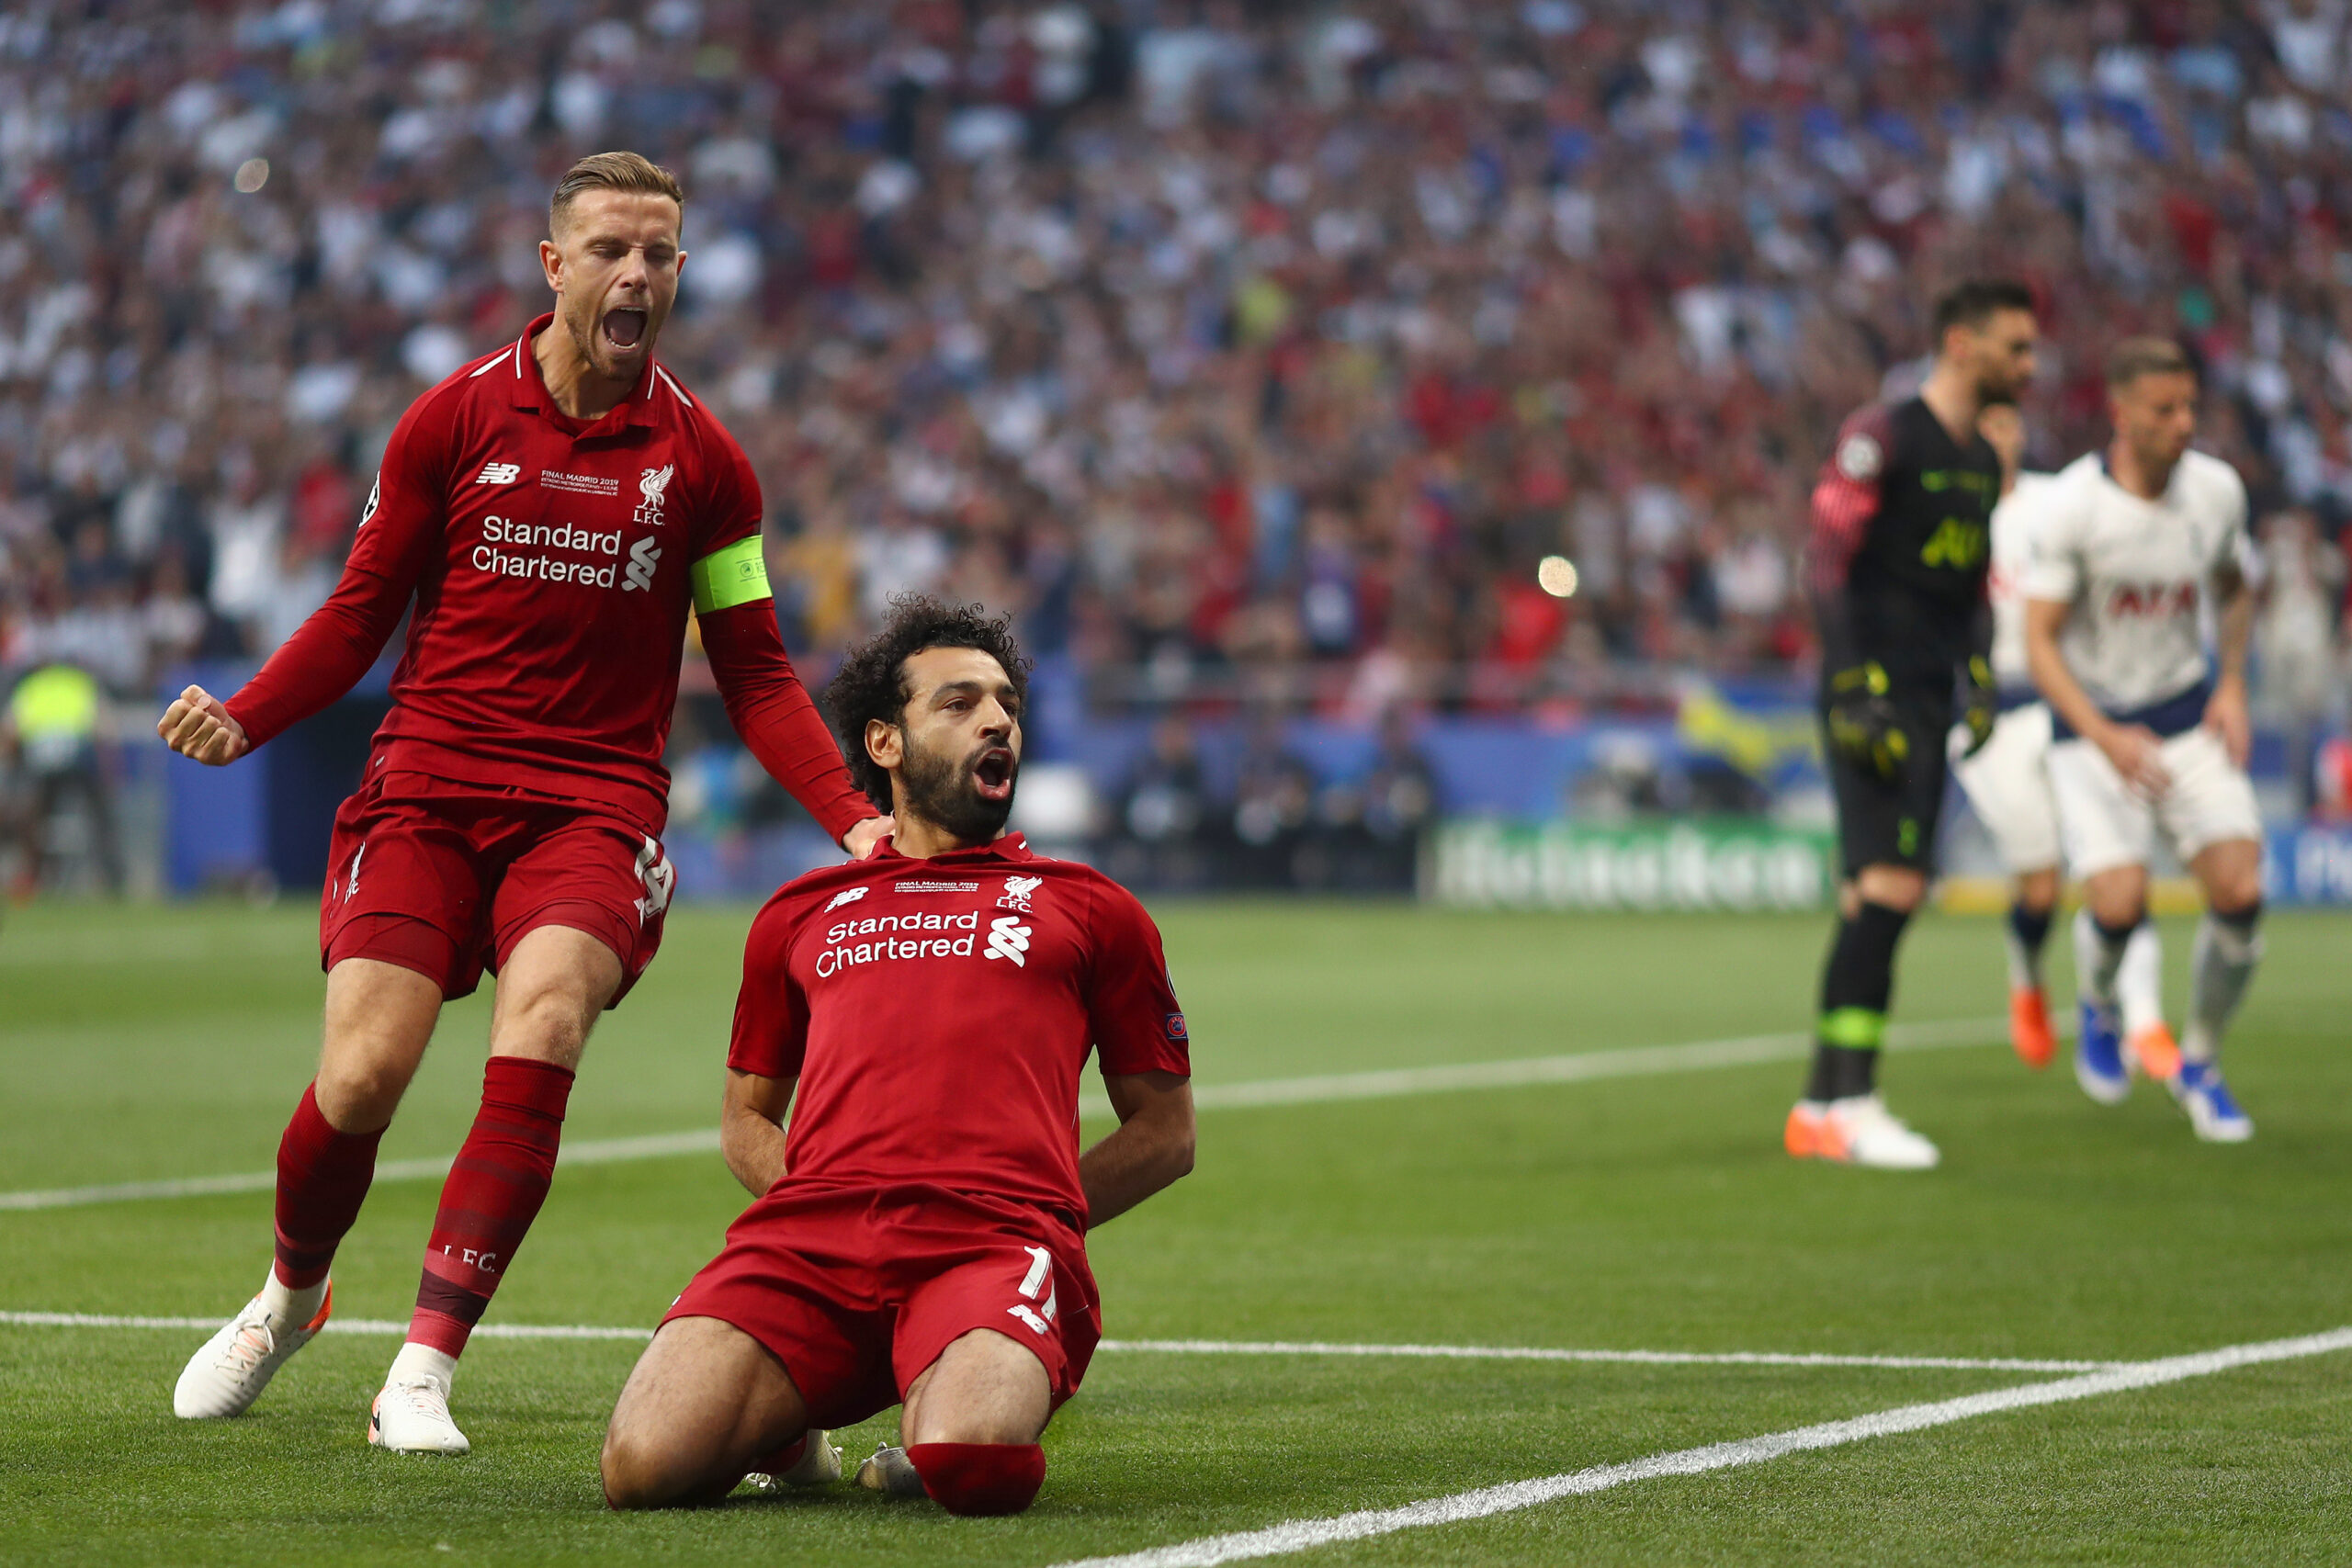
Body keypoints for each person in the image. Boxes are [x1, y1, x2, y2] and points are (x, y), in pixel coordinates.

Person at [159, 152, 890, 1452]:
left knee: (544, 1020)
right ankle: (290, 1295)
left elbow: (758, 671)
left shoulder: (708, 465)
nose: (638, 275)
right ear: (554, 266)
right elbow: (358, 612)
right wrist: (249, 714)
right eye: (612, 248)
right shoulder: (449, 421)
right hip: (430, 783)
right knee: (365, 1069)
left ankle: (424, 1367)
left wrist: (853, 815)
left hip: (592, 804)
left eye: (660, 254)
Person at [600, 597, 1195, 1516]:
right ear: (884, 743)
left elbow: (1165, 1131)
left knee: (972, 1467)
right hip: (809, 1247)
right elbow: (745, 1116)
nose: (997, 719)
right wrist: (832, 1200)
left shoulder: (1087, 906)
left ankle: (946, 1394)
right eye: (958, 703)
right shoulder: (799, 913)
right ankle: (789, 1421)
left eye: (1004, 704)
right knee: (641, 1472)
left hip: (994, 1244)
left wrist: (1046, 1219)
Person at [1784, 279, 2039, 1169]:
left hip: (1931, 692)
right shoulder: (1882, 435)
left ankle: (1824, 1104)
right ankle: (1845, 1101)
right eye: (2015, 346)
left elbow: (1967, 581)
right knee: (1890, 891)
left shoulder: (1976, 459)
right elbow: (1824, 561)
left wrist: (1975, 670)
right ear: (1960, 344)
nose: (2028, 364)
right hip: (1878, 693)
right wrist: (1853, 681)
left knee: (1876, 895)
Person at [2022, 338, 2265, 1142]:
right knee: (2119, 901)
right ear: (2120, 413)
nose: (2184, 422)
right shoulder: (2071, 506)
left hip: (2184, 712)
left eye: (2190, 405)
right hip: (2092, 727)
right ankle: (2096, 1002)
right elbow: (2041, 643)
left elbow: (2234, 588)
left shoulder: (2215, 492)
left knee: (2238, 891)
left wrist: (2231, 682)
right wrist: (2102, 734)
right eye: (2165, 409)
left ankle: (2198, 1058)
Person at [1951, 405, 2160, 1071]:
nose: (1998, 439)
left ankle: (2140, 1018)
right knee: (2038, 883)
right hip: (1989, 714)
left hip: (2067, 701)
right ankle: (2026, 978)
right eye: (1984, 427)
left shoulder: (2052, 504)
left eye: (2007, 424)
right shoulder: (1939, 518)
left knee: (2112, 864)